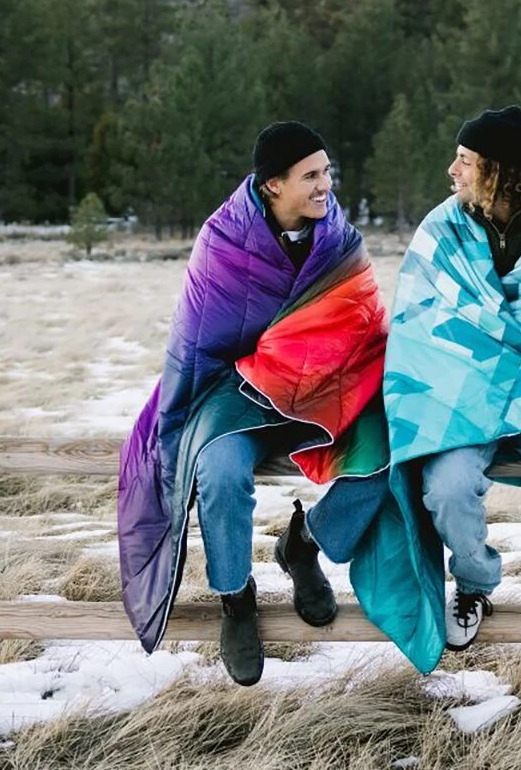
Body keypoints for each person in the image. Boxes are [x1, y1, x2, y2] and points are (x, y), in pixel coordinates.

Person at [349, 105, 521, 671]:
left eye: (465, 161)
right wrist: (490, 373)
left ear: (499, 170)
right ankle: (475, 583)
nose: (452, 171)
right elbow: (422, 327)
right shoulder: (443, 229)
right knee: (447, 487)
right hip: (464, 397)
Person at [118, 122, 389, 685]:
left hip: (319, 388)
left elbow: (362, 323)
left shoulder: (339, 239)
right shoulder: (224, 242)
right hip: (233, 391)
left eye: (327, 172)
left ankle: (304, 543)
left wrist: (311, 363)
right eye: (310, 176)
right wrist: (180, 418)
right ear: (273, 185)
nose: (325, 185)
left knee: (383, 456)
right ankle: (236, 597)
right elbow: (196, 342)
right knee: (219, 470)